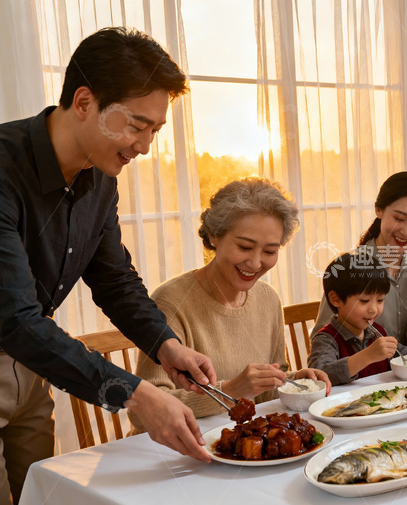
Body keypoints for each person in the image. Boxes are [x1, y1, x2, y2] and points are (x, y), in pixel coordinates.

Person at [0, 27, 216, 505]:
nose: (146, 146)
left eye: (155, 130)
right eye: (137, 125)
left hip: (31, 368)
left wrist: (166, 345)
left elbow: (114, 278)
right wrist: (133, 392)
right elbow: (16, 320)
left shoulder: (100, 180)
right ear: (84, 101)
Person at [128, 179, 331, 432]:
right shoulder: (170, 300)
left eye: (270, 251)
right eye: (244, 247)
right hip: (174, 451)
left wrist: (295, 381)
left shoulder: (268, 298)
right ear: (214, 236)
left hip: (242, 446)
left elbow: (267, 389)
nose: (256, 263)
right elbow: (142, 411)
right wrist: (230, 390)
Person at [310, 171, 407, 343]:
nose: (406, 231)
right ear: (379, 210)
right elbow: (321, 339)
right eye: (399, 218)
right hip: (367, 369)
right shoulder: (349, 268)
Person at [308, 252, 407, 385]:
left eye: (380, 300)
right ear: (336, 299)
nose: (374, 309)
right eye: (364, 300)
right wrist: (367, 355)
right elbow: (320, 375)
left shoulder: (376, 331)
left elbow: (403, 355)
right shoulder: (326, 339)